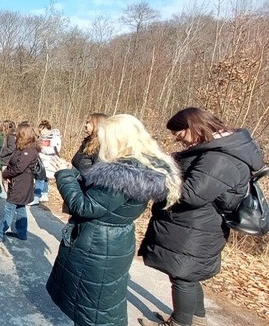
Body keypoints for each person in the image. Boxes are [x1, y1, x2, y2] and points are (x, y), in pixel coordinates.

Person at [46, 114, 182, 326]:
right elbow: (100, 196)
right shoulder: (140, 167)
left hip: (99, 245)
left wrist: (63, 175)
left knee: (94, 310)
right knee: (101, 303)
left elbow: (84, 206)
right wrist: (72, 172)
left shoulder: (121, 173)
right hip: (113, 241)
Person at [137, 108, 264, 326]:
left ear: (194, 127)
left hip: (196, 227)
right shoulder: (215, 150)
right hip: (195, 225)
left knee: (182, 276)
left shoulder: (220, 157)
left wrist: (160, 179)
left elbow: (192, 194)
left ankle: (179, 323)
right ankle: (196, 319)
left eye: (180, 132)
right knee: (188, 274)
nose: (177, 137)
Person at [0, 123, 37, 242]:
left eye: (18, 132)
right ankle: (21, 233)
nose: (15, 134)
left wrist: (5, 174)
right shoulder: (21, 147)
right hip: (18, 182)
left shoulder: (29, 150)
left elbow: (19, 167)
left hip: (21, 184)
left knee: (9, 208)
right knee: (20, 207)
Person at [34, 120, 61, 203]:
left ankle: (36, 196)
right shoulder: (42, 137)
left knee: (40, 178)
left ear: (45, 128)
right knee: (44, 178)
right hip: (41, 160)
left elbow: (56, 149)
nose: (40, 132)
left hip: (48, 161)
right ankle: (44, 193)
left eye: (40, 130)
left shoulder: (55, 137)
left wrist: (42, 149)